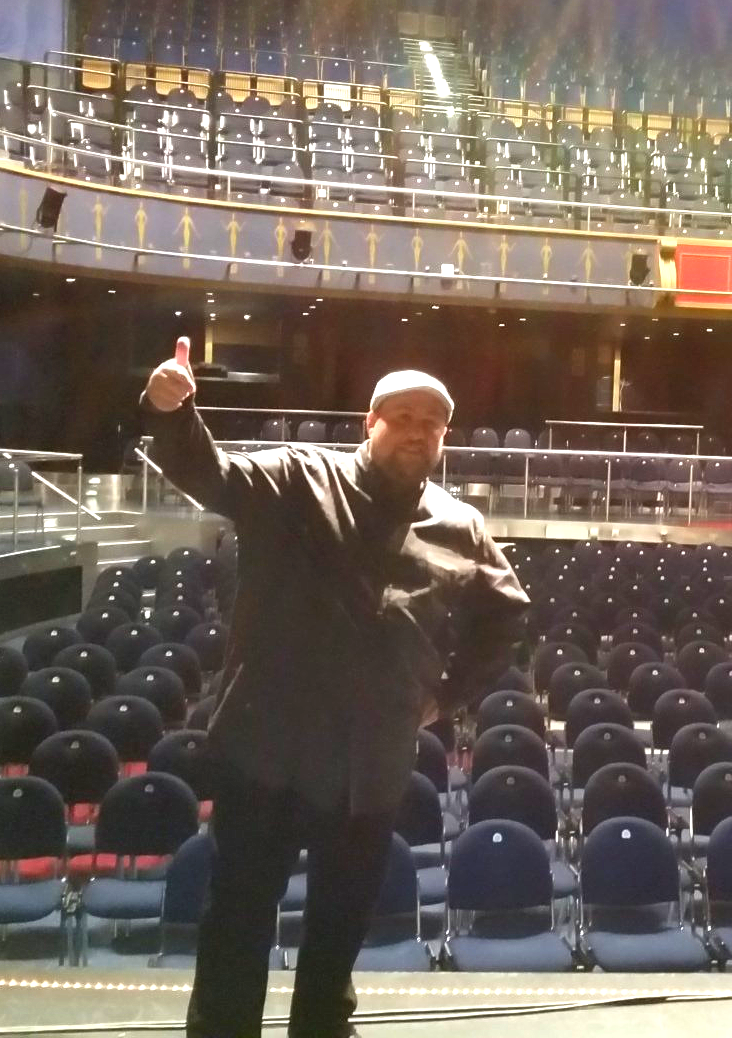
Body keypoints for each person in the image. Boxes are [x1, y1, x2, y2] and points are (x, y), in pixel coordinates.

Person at [142, 338, 530, 1038]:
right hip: (266, 752)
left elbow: (506, 614)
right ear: (368, 423)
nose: (417, 432)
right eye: (402, 417)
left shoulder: (459, 525)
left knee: (339, 926)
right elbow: (212, 474)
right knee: (238, 919)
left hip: (368, 766)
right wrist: (174, 412)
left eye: (432, 424)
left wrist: (447, 694)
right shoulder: (299, 476)